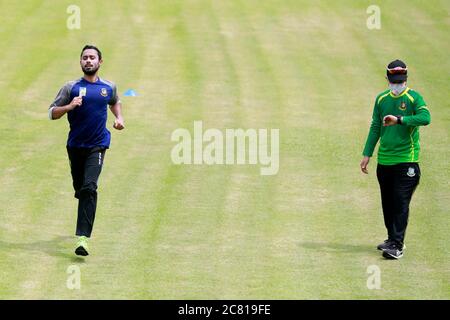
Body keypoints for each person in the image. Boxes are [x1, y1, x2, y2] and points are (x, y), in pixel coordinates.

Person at [49, 45, 124, 256]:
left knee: (90, 188)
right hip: (75, 146)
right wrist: (69, 107)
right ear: (80, 62)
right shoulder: (70, 88)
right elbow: (51, 113)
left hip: (98, 145)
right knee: (80, 188)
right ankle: (82, 195)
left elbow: (115, 101)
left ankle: (82, 238)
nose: (88, 61)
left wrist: (119, 118)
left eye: (92, 58)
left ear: (100, 62)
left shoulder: (108, 87)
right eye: (84, 58)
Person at [360, 59, 430, 259]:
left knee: (400, 202)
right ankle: (391, 238)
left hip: (406, 161)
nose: (398, 85)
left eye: (401, 81)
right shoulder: (382, 99)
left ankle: (397, 245)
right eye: (394, 81)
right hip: (385, 161)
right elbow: (375, 127)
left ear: (406, 80)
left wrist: (399, 120)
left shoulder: (414, 98)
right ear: (387, 79)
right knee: (388, 202)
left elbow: (426, 118)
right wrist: (367, 153)